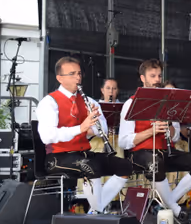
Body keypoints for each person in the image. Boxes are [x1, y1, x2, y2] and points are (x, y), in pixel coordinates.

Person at [36, 57, 132, 214]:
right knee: (91, 166)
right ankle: (97, 213)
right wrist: (80, 128)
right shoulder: (49, 102)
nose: (78, 78)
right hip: (57, 157)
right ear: (60, 78)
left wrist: (93, 126)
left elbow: (103, 129)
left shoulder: (89, 101)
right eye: (72, 74)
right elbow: (47, 136)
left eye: (79, 73)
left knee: (125, 166)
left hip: (83, 153)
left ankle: (95, 211)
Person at [119, 59, 191, 220]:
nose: (157, 80)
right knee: (155, 162)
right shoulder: (130, 103)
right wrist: (151, 131)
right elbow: (123, 142)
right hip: (140, 153)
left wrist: (170, 125)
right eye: (152, 76)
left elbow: (175, 137)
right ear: (142, 78)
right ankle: (175, 209)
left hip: (164, 151)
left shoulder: (168, 103)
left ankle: (167, 204)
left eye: (159, 76)